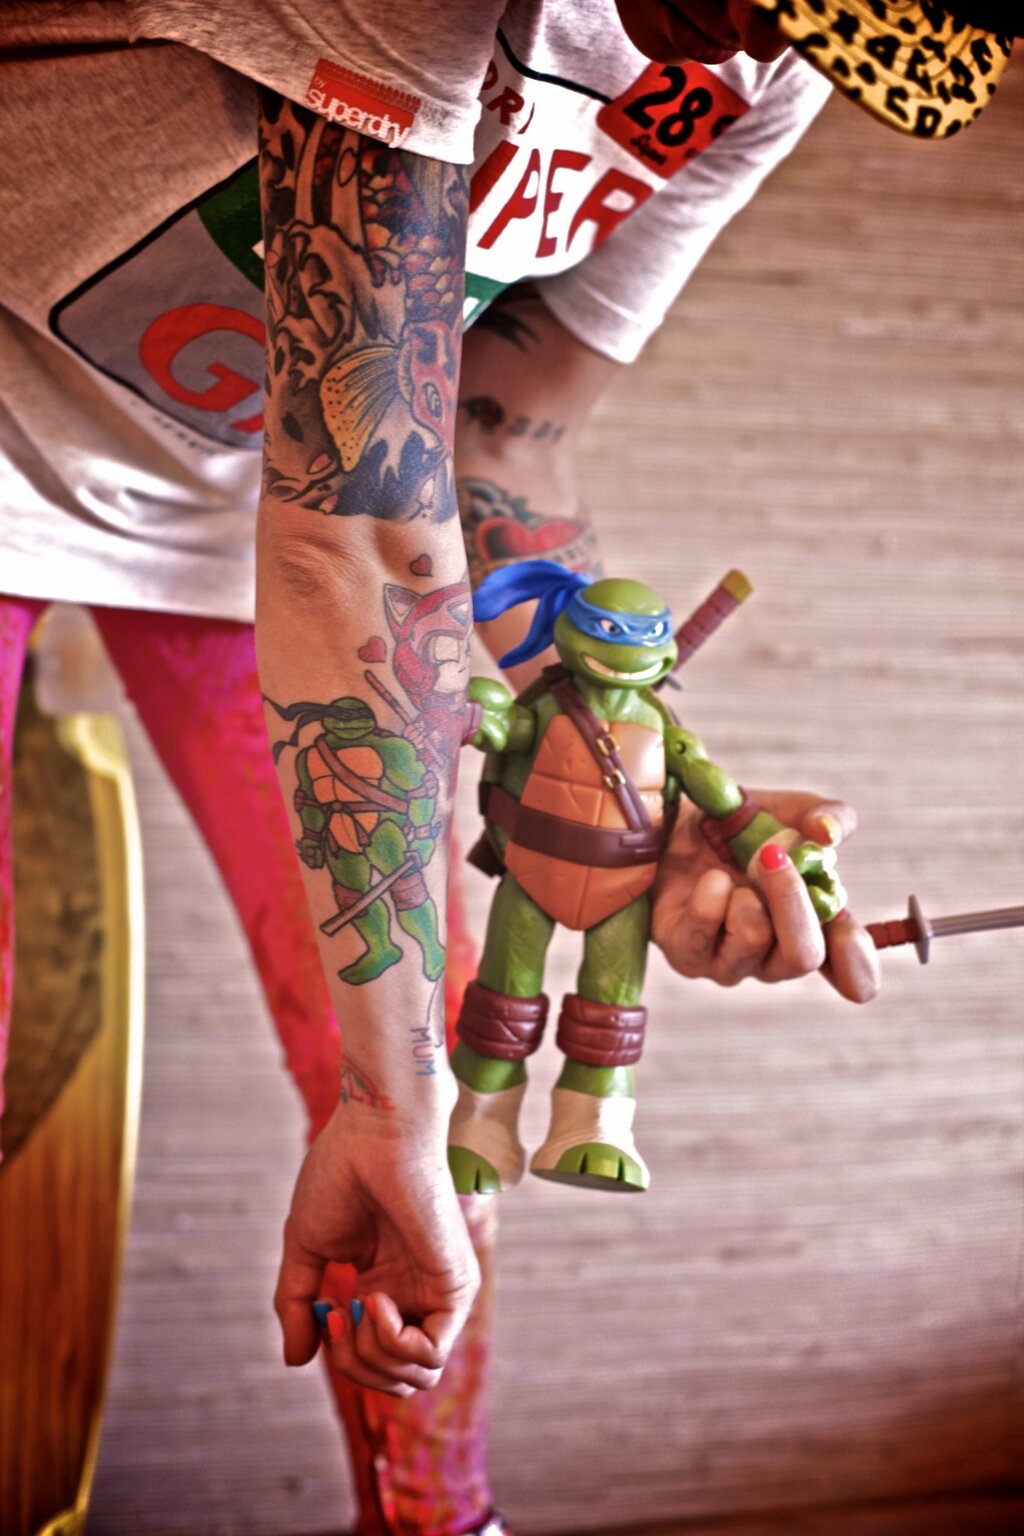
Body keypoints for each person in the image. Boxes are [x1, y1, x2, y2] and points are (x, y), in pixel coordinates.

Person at [0, 3, 1015, 1533]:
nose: (738, 28)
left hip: (251, 522)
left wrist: (613, 774)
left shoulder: (767, 67)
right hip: (168, 469)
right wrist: (388, 1098)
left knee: (448, 1094)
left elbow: (506, 428)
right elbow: (361, 517)